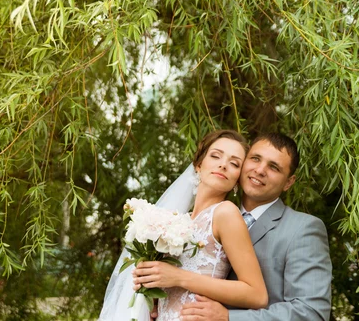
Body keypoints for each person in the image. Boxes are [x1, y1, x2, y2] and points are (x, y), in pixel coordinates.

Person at [99, 130, 269, 321]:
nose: (223, 165)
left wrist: (179, 277)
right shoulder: (178, 222)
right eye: (215, 156)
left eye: (234, 163)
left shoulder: (225, 213)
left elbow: (257, 294)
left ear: (238, 178)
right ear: (198, 164)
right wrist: (153, 291)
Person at [178, 132, 333, 321]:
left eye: (274, 167)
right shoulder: (211, 219)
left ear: (289, 182)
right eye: (255, 159)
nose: (260, 170)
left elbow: (311, 312)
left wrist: (228, 318)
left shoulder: (303, 229)